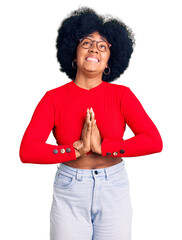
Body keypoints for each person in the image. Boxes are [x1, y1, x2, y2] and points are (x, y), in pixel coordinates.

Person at [19, 7, 163, 240]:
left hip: (114, 189)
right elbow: (27, 150)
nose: (94, 48)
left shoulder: (122, 96)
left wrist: (103, 147)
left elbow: (154, 142)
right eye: (87, 43)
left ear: (109, 60)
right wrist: (74, 150)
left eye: (103, 46)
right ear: (74, 54)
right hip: (70, 191)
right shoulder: (52, 99)